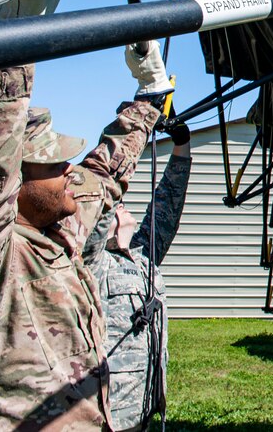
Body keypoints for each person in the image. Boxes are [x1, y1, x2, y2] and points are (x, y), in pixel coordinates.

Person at [0, 0, 175, 429]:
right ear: (13, 183)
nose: (68, 168)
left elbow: (103, 173)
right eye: (52, 163)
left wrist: (150, 95)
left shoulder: (56, 231)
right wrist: (11, 32)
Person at [83, 117, 192, 431]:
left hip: (144, 406)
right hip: (106, 414)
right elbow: (104, 192)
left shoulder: (145, 255)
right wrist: (138, 128)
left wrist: (181, 144)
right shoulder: (94, 261)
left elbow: (168, 200)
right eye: (119, 206)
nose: (123, 206)